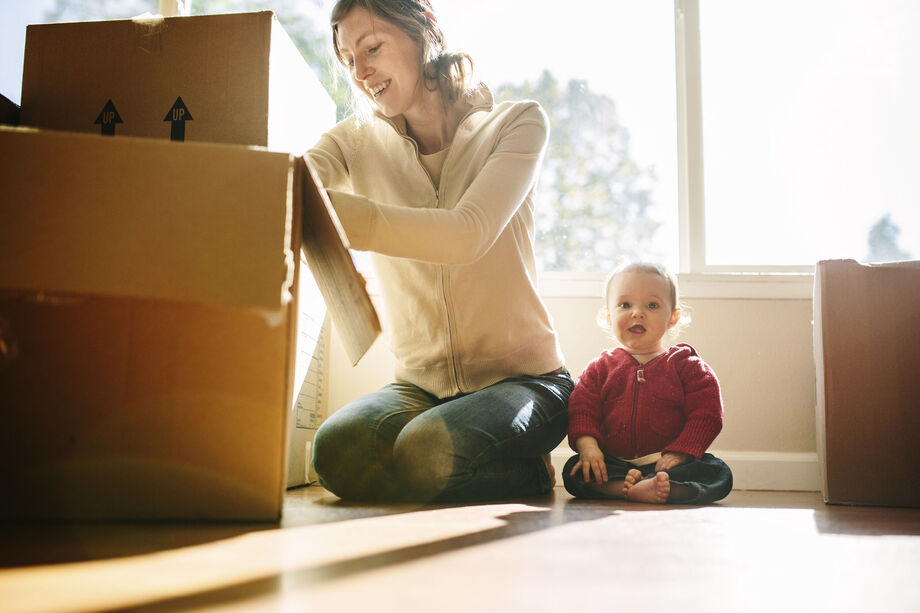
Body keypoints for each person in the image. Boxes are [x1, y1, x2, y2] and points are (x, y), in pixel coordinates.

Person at [306, 0, 572, 503]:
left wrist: (334, 215)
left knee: (428, 450)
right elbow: (297, 179)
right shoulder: (354, 142)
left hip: (528, 383)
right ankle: (445, 470)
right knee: (335, 452)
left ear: (422, 32)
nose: (360, 72)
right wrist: (291, 194)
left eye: (372, 48)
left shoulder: (516, 124)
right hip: (420, 389)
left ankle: (528, 471)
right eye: (347, 60)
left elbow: (465, 234)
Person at [563, 263, 732, 504]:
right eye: (625, 305)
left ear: (673, 317)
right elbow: (582, 410)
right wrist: (589, 448)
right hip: (614, 462)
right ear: (609, 317)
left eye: (652, 305)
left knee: (719, 473)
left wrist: (681, 452)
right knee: (575, 471)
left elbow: (707, 413)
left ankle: (663, 487)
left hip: (669, 463)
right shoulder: (599, 368)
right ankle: (624, 486)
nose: (637, 313)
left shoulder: (688, 366)